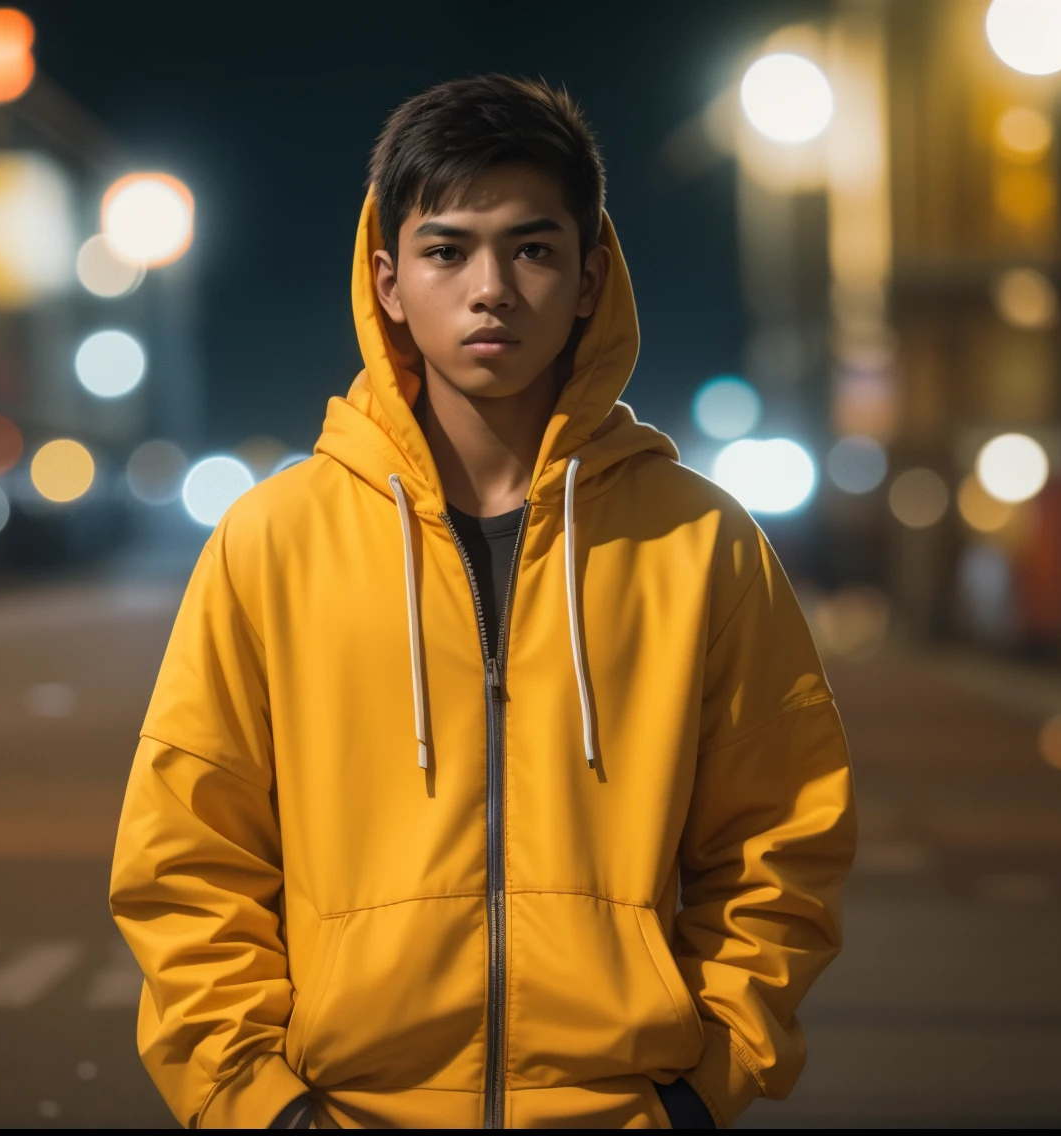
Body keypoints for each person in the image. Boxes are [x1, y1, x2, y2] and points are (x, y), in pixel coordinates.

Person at [110, 74, 854, 1129]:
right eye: (446, 249)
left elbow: (780, 844)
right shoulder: (272, 540)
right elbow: (185, 855)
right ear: (387, 280)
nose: (490, 287)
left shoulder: (696, 542)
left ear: (591, 276)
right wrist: (264, 1107)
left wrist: (703, 1083)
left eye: (533, 248)